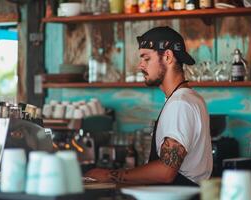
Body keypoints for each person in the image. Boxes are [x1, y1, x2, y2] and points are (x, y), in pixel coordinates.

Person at [85, 26, 212, 186]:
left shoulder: (181, 103)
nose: (140, 66)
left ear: (167, 57)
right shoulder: (188, 98)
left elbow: (166, 172)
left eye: (146, 58)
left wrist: (110, 175)